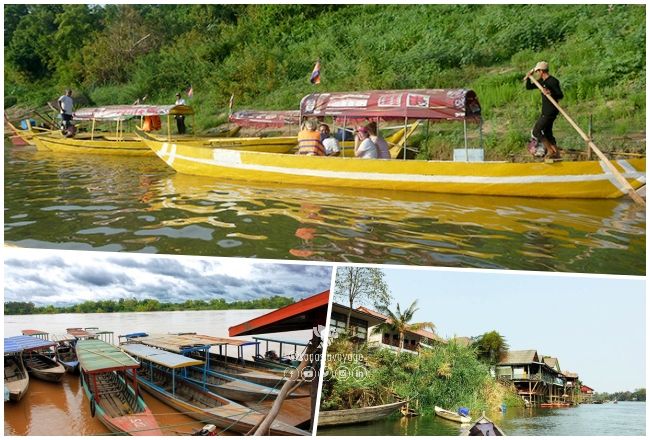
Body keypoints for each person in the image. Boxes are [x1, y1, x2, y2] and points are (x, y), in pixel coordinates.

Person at [524, 61, 563, 159]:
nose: (537, 73)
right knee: (547, 132)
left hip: (550, 111)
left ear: (542, 71)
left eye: (537, 71)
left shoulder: (553, 81)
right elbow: (529, 87)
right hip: (546, 111)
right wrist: (529, 77)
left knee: (536, 131)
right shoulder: (542, 81)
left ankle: (550, 150)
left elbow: (560, 95)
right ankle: (556, 153)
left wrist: (551, 92)